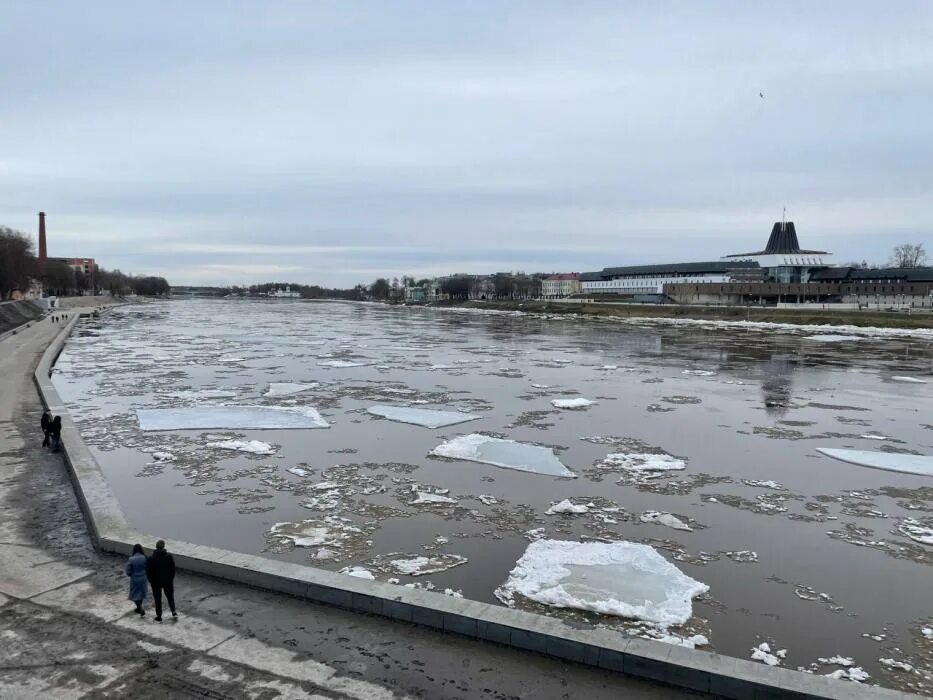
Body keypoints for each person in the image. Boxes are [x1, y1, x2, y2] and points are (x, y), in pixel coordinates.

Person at [145, 539, 177, 622]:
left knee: (158, 599)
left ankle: (159, 616)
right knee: (170, 597)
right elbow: (173, 569)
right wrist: (171, 578)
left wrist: (151, 581)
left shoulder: (151, 558)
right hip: (167, 581)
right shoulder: (169, 556)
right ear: (163, 546)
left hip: (156, 582)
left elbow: (148, 571)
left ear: (156, 547)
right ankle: (173, 611)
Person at [125, 544, 148, 616]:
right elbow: (148, 567)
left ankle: (140, 608)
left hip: (135, 579)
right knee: (141, 593)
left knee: (134, 594)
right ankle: (139, 608)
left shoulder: (131, 559)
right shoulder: (144, 557)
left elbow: (128, 571)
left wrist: (130, 574)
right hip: (143, 578)